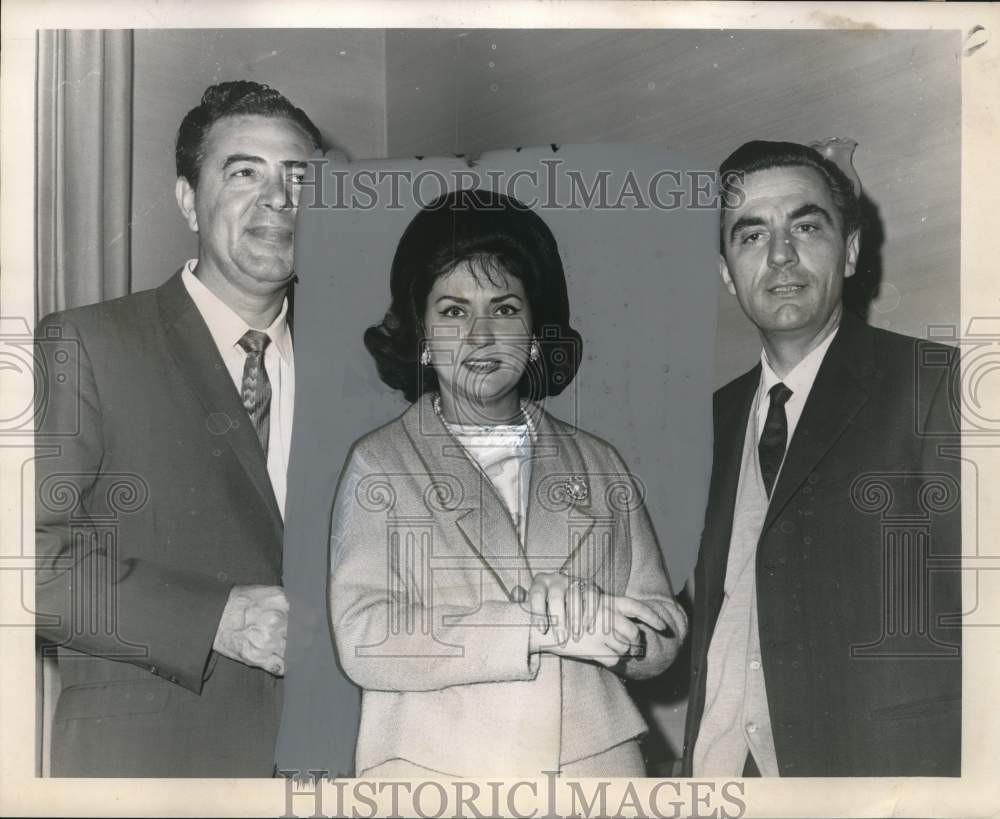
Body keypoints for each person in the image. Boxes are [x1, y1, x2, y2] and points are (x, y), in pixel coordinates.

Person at [328, 189, 688, 778]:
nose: (481, 336)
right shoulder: (381, 464)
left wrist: (618, 633)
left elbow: (662, 626)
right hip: (434, 772)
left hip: (592, 771)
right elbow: (365, 636)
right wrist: (535, 628)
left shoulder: (599, 463)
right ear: (419, 333)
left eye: (504, 308)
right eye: (452, 311)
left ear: (536, 329)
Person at [34, 81, 330, 776]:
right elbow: (23, 566)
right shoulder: (86, 344)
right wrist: (216, 618)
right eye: (244, 173)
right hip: (152, 766)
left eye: (299, 177)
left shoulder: (362, 368)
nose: (279, 200)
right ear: (189, 199)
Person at [683, 140, 962, 777]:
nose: (781, 255)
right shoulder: (705, 425)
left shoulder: (936, 384)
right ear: (726, 271)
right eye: (751, 236)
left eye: (806, 226)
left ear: (853, 249)